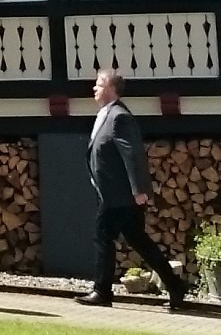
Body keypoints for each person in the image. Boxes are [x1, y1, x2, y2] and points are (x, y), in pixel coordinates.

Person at [80, 68, 189, 309]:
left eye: (98, 84)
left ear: (110, 88)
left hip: (119, 196)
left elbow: (133, 154)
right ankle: (175, 285)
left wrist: (139, 189)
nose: (94, 88)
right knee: (140, 241)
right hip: (112, 193)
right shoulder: (106, 114)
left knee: (102, 237)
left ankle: (102, 291)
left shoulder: (119, 116)